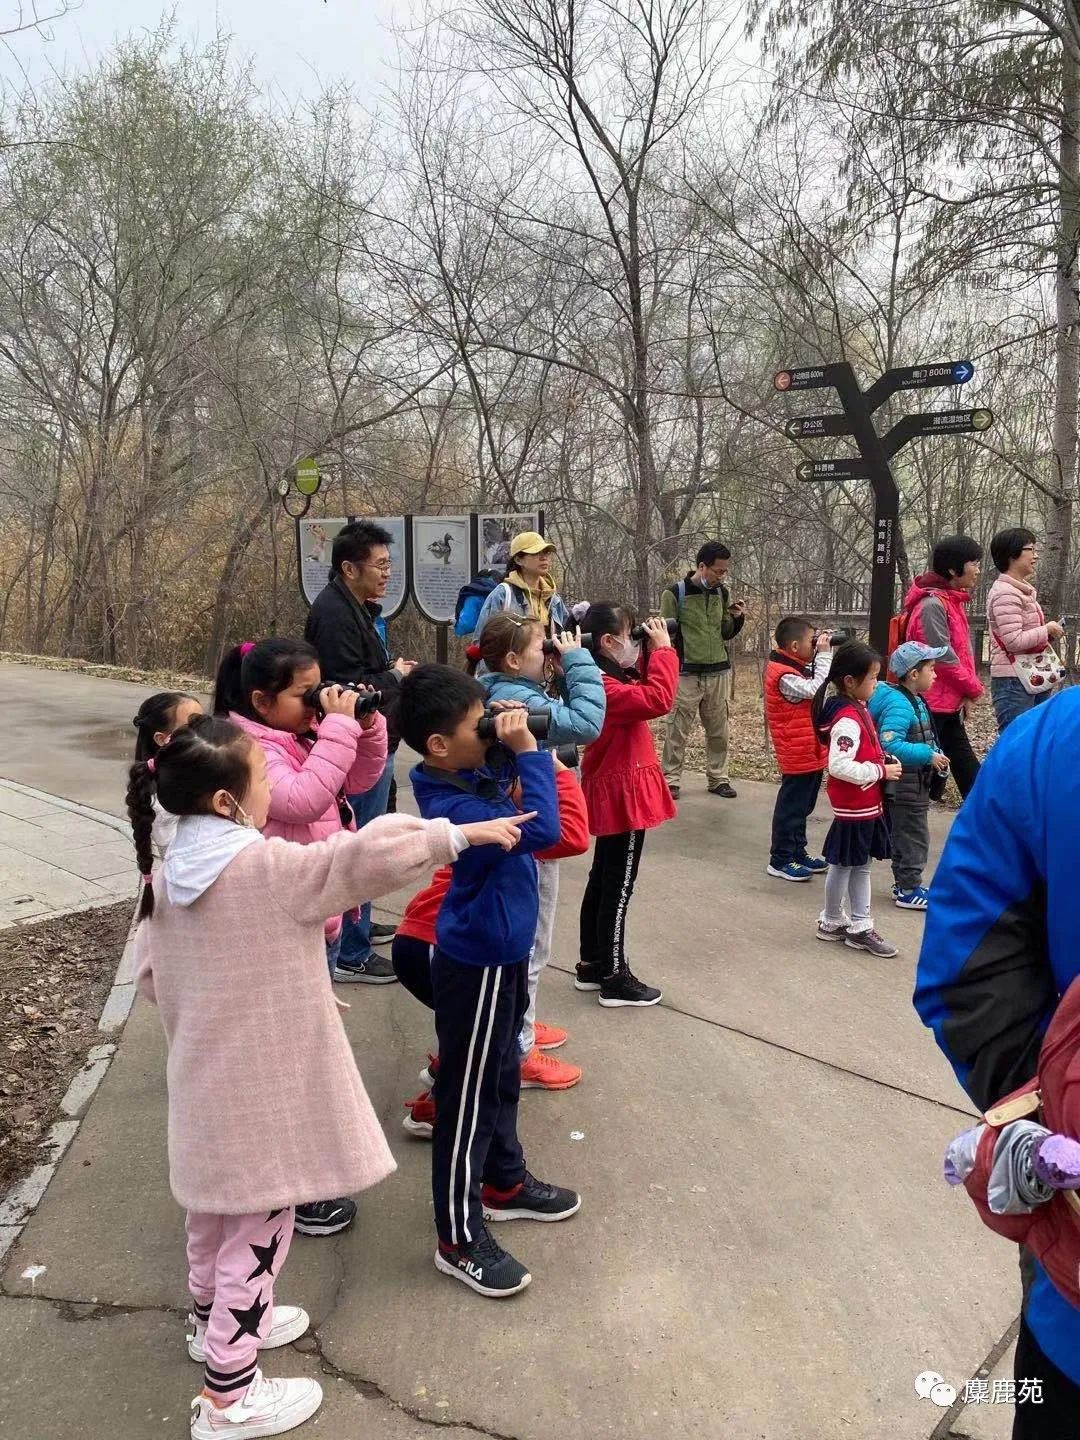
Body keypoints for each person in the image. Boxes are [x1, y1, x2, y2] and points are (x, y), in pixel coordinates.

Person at [126, 713, 481, 1437]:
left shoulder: (166, 872)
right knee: (261, 1230)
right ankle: (230, 1392)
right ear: (227, 802)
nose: (274, 792)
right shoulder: (264, 867)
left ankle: (209, 1322)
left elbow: (153, 977)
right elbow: (353, 863)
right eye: (264, 780)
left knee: (214, 1212)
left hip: (201, 1083)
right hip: (264, 1096)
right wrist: (452, 836)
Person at [914, 688, 1080, 1435]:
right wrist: (1044, 1127)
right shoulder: (1049, 745)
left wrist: (1042, 1131)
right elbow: (972, 968)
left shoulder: (1047, 740)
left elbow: (966, 969)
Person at [398, 666, 581, 1298]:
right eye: (475, 723)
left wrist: (507, 737)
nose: (492, 728)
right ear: (439, 745)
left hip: (507, 951)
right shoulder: (446, 804)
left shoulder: (472, 769)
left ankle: (504, 1180)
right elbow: (544, 830)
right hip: (473, 962)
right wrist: (528, 753)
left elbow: (512, 785)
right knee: (467, 1096)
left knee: (505, 1069)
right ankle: (458, 1234)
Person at [393, 754, 590, 1138]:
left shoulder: (483, 809)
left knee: (478, 1032)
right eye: (533, 784)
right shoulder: (513, 832)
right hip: (438, 948)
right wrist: (558, 772)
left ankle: (463, 1062)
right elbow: (571, 834)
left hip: (423, 943)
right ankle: (434, 1108)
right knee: (485, 1041)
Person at [473, 613, 605, 1089]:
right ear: (512, 660)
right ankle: (519, 1050)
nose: (548, 654)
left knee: (530, 945)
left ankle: (522, 1027)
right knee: (532, 946)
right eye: (539, 649)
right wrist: (577, 660)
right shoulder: (518, 697)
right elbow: (588, 723)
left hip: (520, 826)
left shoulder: (496, 686)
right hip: (531, 834)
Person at [213, 638, 388, 989]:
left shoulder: (303, 734)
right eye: (305, 695)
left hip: (319, 904)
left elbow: (355, 778)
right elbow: (301, 801)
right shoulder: (250, 750)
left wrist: (366, 728)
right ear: (261, 701)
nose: (315, 704)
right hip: (289, 917)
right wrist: (338, 728)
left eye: (319, 689)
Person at [304, 521, 417, 981]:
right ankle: (351, 950)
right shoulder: (333, 613)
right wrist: (395, 678)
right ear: (349, 568)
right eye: (381, 564)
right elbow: (347, 686)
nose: (388, 573)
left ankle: (361, 927)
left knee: (367, 838)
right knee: (358, 844)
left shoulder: (355, 606)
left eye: (390, 564)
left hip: (370, 740)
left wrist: (388, 670)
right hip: (355, 745)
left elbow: (364, 671)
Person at [577, 606, 678, 1007]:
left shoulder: (599, 676)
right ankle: (615, 976)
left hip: (618, 787)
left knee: (603, 878)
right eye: (629, 636)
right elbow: (658, 698)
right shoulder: (603, 686)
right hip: (624, 795)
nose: (634, 644)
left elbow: (648, 686)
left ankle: (592, 963)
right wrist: (664, 650)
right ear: (607, 642)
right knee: (618, 886)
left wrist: (655, 650)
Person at [810, 641, 902, 957]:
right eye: (873, 678)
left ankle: (832, 921)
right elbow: (838, 765)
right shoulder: (847, 718)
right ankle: (860, 926)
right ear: (850, 681)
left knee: (844, 865)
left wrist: (879, 760)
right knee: (857, 867)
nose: (877, 684)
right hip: (855, 806)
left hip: (861, 804)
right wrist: (880, 771)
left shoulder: (856, 708)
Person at [659, 540, 746, 801]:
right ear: (702, 566)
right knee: (677, 728)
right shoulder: (675, 593)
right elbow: (665, 635)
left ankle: (718, 778)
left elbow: (725, 632)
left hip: (718, 671)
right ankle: (671, 780)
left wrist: (737, 618)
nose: (722, 576)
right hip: (686, 673)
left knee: (719, 730)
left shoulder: (722, 593)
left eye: (725, 571)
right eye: (718, 571)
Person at [867, 641, 951, 911]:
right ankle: (908, 888)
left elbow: (923, 734)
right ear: (914, 674)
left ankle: (903, 883)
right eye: (931, 668)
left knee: (906, 834)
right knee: (914, 836)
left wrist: (936, 755)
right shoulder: (900, 704)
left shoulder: (913, 700)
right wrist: (928, 755)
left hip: (916, 782)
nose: (935, 674)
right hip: (906, 784)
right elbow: (889, 743)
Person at [901, 535, 984, 797]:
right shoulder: (932, 605)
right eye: (974, 563)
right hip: (931, 703)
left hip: (946, 703)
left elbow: (959, 654)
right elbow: (942, 657)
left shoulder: (949, 600)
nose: (978, 570)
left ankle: (988, 826)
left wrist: (967, 692)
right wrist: (974, 688)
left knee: (966, 772)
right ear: (952, 569)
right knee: (925, 781)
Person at [763, 617, 832, 882]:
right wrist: (824, 656)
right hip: (796, 752)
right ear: (793, 646)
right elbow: (814, 688)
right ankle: (780, 859)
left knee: (803, 806)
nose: (815, 646)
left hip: (808, 749)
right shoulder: (783, 674)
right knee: (791, 808)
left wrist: (821, 655)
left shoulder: (794, 665)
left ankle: (797, 852)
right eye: (810, 641)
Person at [986, 527, 1065, 734]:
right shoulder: (1006, 594)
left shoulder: (1020, 590)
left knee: (1034, 740)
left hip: (1031, 674)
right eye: (1031, 549)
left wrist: (1049, 632)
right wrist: (1046, 629)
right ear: (1012, 554)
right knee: (1017, 740)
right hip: (1014, 680)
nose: (1035, 555)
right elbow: (1013, 640)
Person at [131, 691, 204, 857]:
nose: (206, 731)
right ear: (162, 739)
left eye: (205, 722)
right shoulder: (162, 800)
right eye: (194, 726)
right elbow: (183, 856)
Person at [471, 530, 572, 638]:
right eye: (536, 553)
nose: (544, 557)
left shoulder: (554, 599)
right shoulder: (503, 595)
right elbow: (483, 641)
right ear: (518, 560)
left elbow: (567, 636)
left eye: (547, 552)